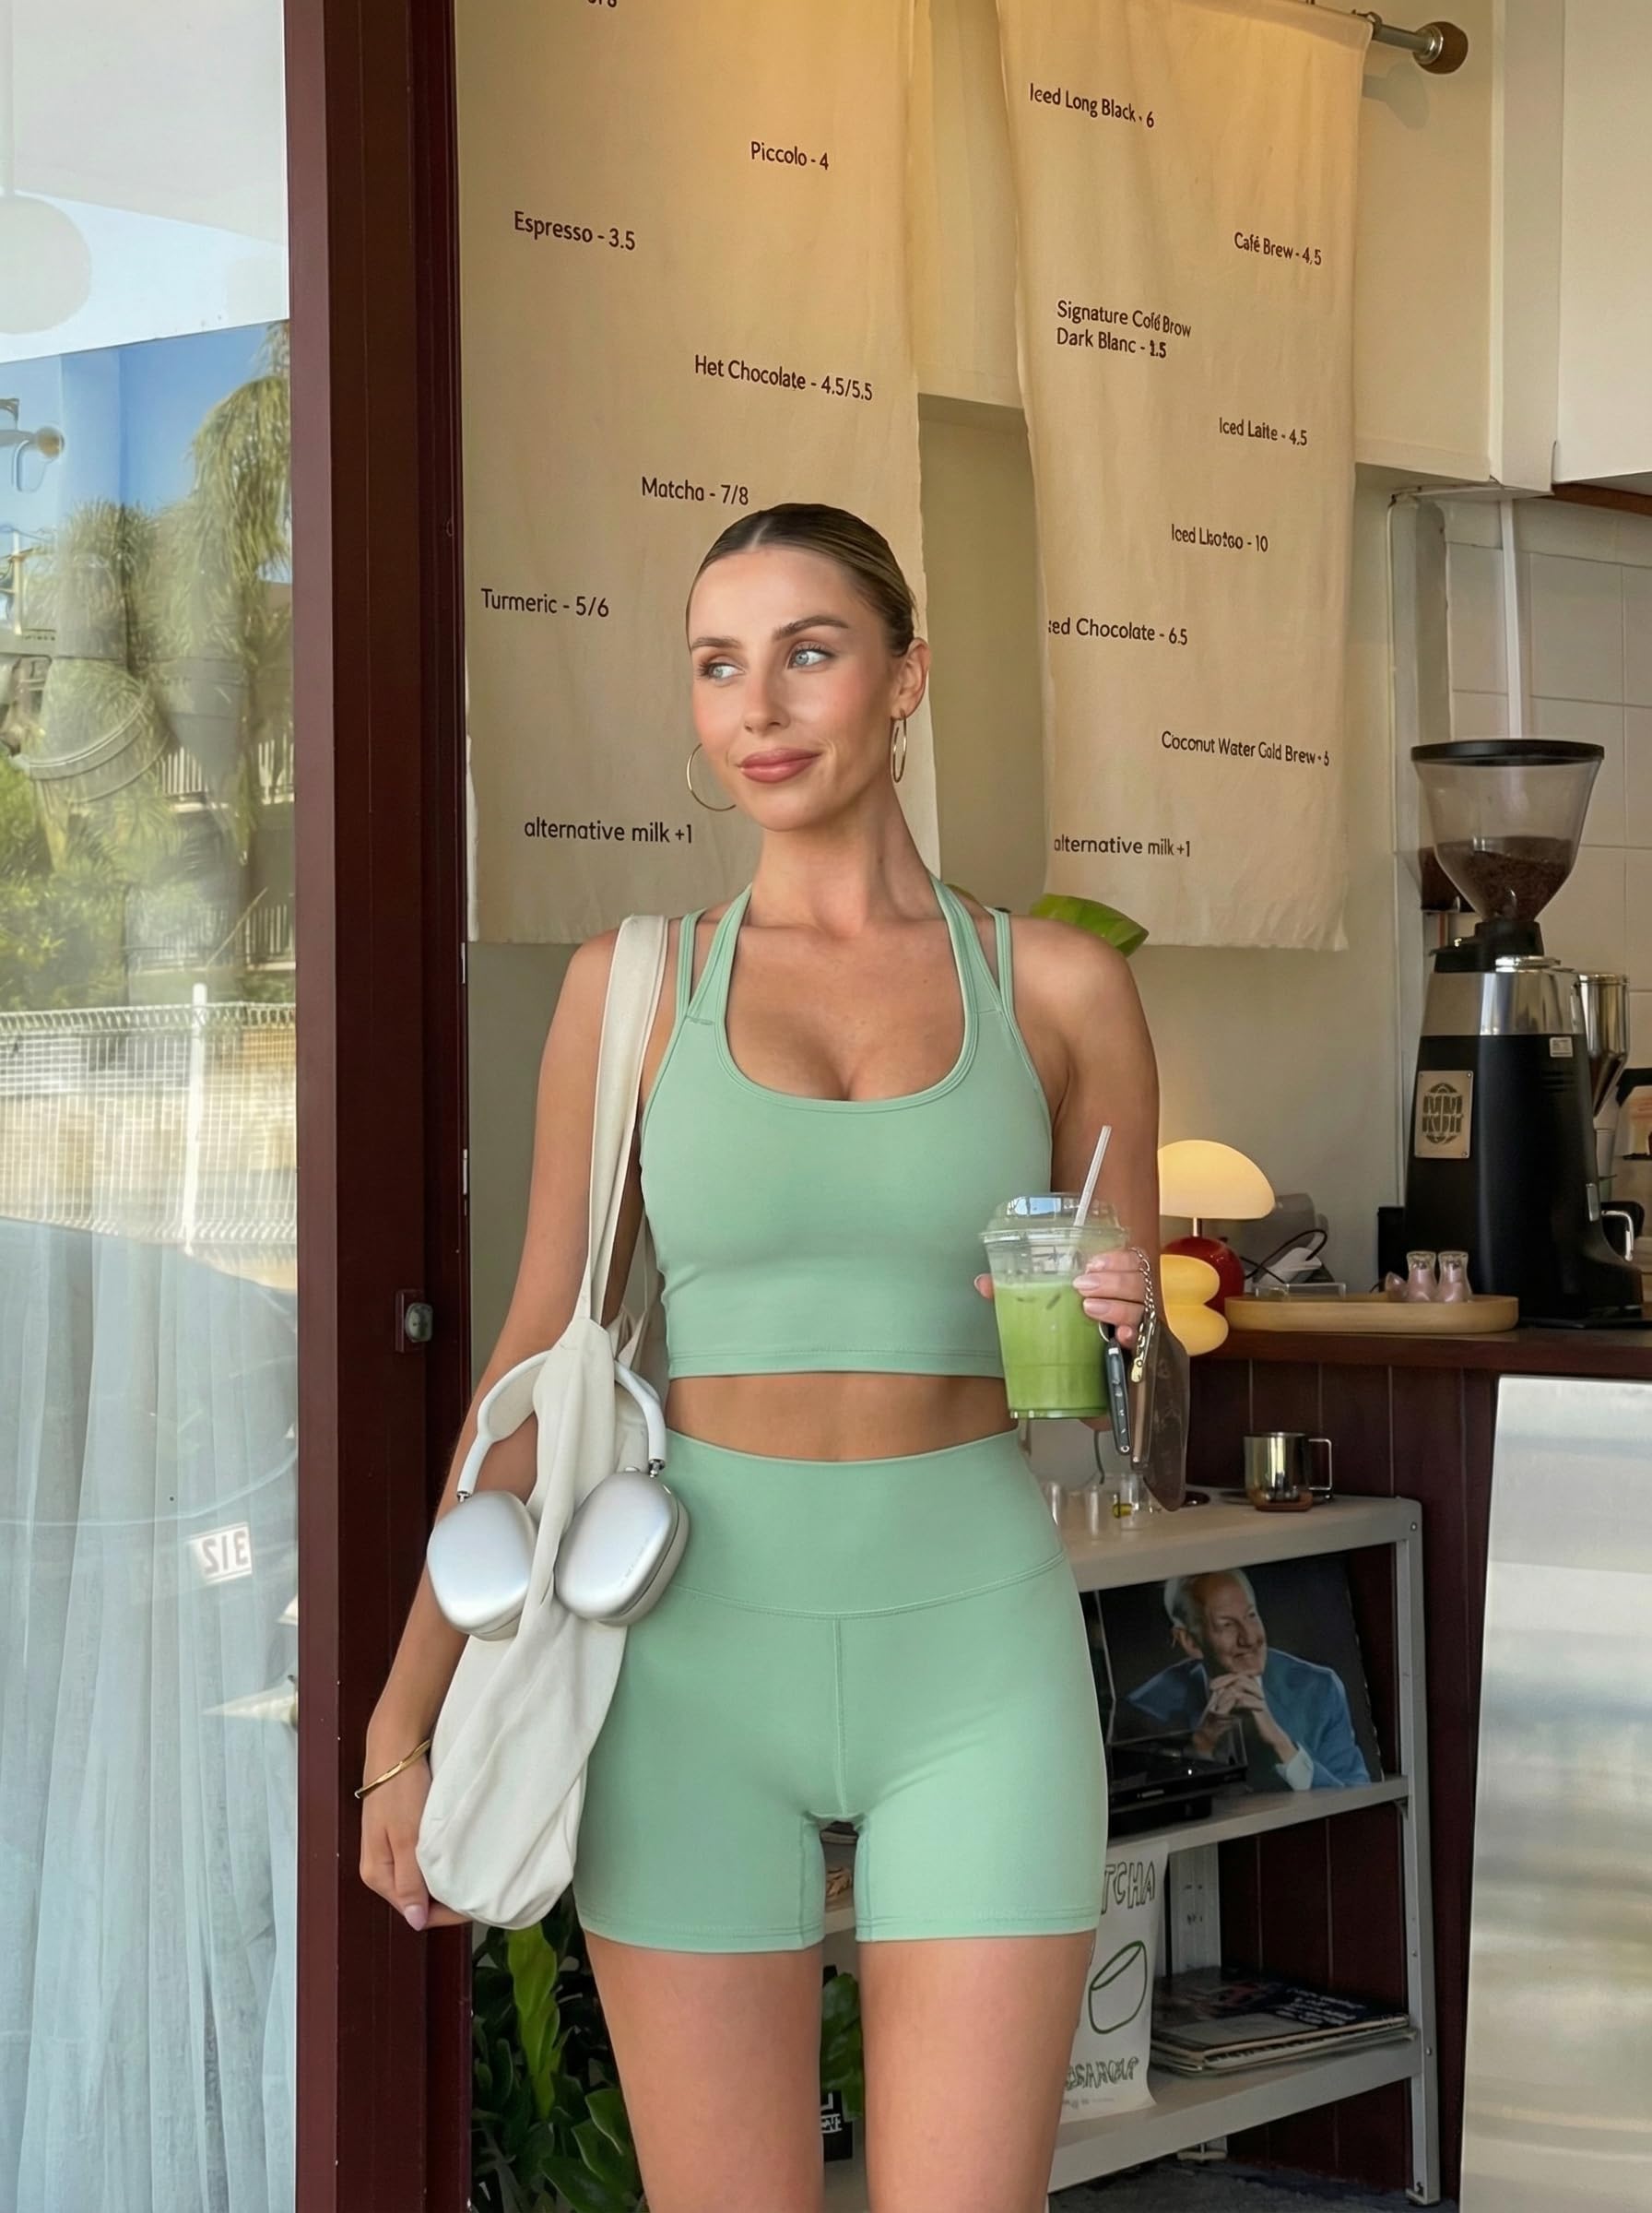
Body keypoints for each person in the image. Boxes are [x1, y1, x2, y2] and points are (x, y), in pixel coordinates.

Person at [359, 503, 1162, 2213]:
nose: (761, 707)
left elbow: (1107, 1400)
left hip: (976, 1649)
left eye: (810, 652)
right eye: (719, 666)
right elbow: (533, 1362)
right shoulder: (631, 992)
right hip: (689, 1654)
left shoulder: (1061, 989)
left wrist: (1119, 1326)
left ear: (905, 679)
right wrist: (403, 1716)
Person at [1126, 1570, 1373, 1793]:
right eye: (1227, 1625)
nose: (1250, 1638)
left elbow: (1357, 1799)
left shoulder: (1319, 1688)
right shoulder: (1148, 1708)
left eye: (1251, 1616)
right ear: (1190, 1641)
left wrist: (1282, 1746)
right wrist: (1201, 1746)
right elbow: (1148, 1814)